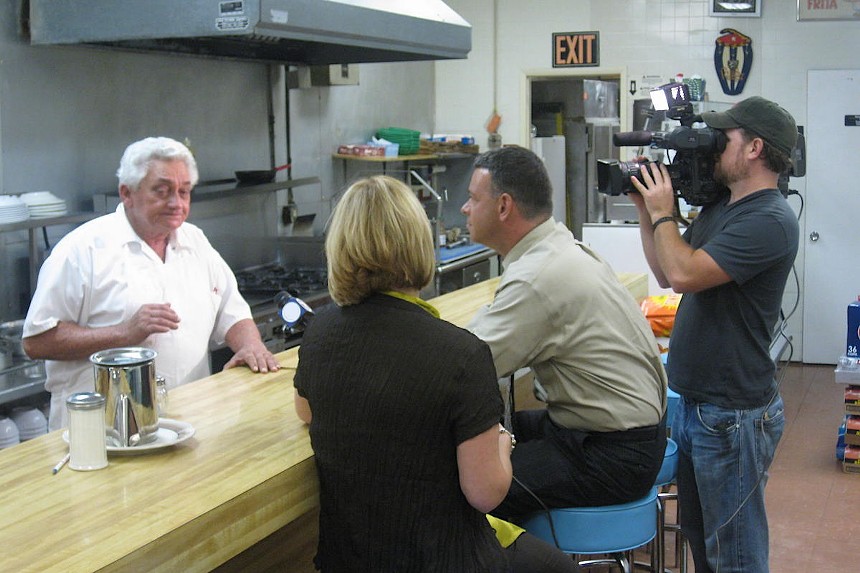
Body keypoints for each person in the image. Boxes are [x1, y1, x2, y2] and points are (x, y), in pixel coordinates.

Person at [293, 175, 575, 572]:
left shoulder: (319, 332)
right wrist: (502, 445)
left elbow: (307, 411)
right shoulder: (461, 354)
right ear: (418, 244)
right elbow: (486, 494)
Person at [628, 96, 799, 573]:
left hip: (733, 413)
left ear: (755, 148)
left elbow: (683, 274)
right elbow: (667, 272)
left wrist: (665, 212)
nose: (715, 144)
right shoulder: (724, 207)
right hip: (697, 405)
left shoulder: (770, 219)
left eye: (727, 136)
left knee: (735, 556)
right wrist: (647, 208)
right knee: (703, 547)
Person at [461, 146, 667, 523]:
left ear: (504, 206)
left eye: (474, 199)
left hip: (611, 455)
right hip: (626, 435)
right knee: (494, 433)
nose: (465, 208)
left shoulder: (539, 275)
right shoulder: (561, 247)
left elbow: (464, 365)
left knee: (474, 483)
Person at [23, 136, 279, 431]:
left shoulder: (194, 240)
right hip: (100, 435)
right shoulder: (83, 251)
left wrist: (250, 346)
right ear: (127, 193)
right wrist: (124, 332)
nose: (176, 203)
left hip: (187, 426)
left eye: (184, 192)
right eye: (162, 191)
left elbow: (231, 310)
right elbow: (36, 341)